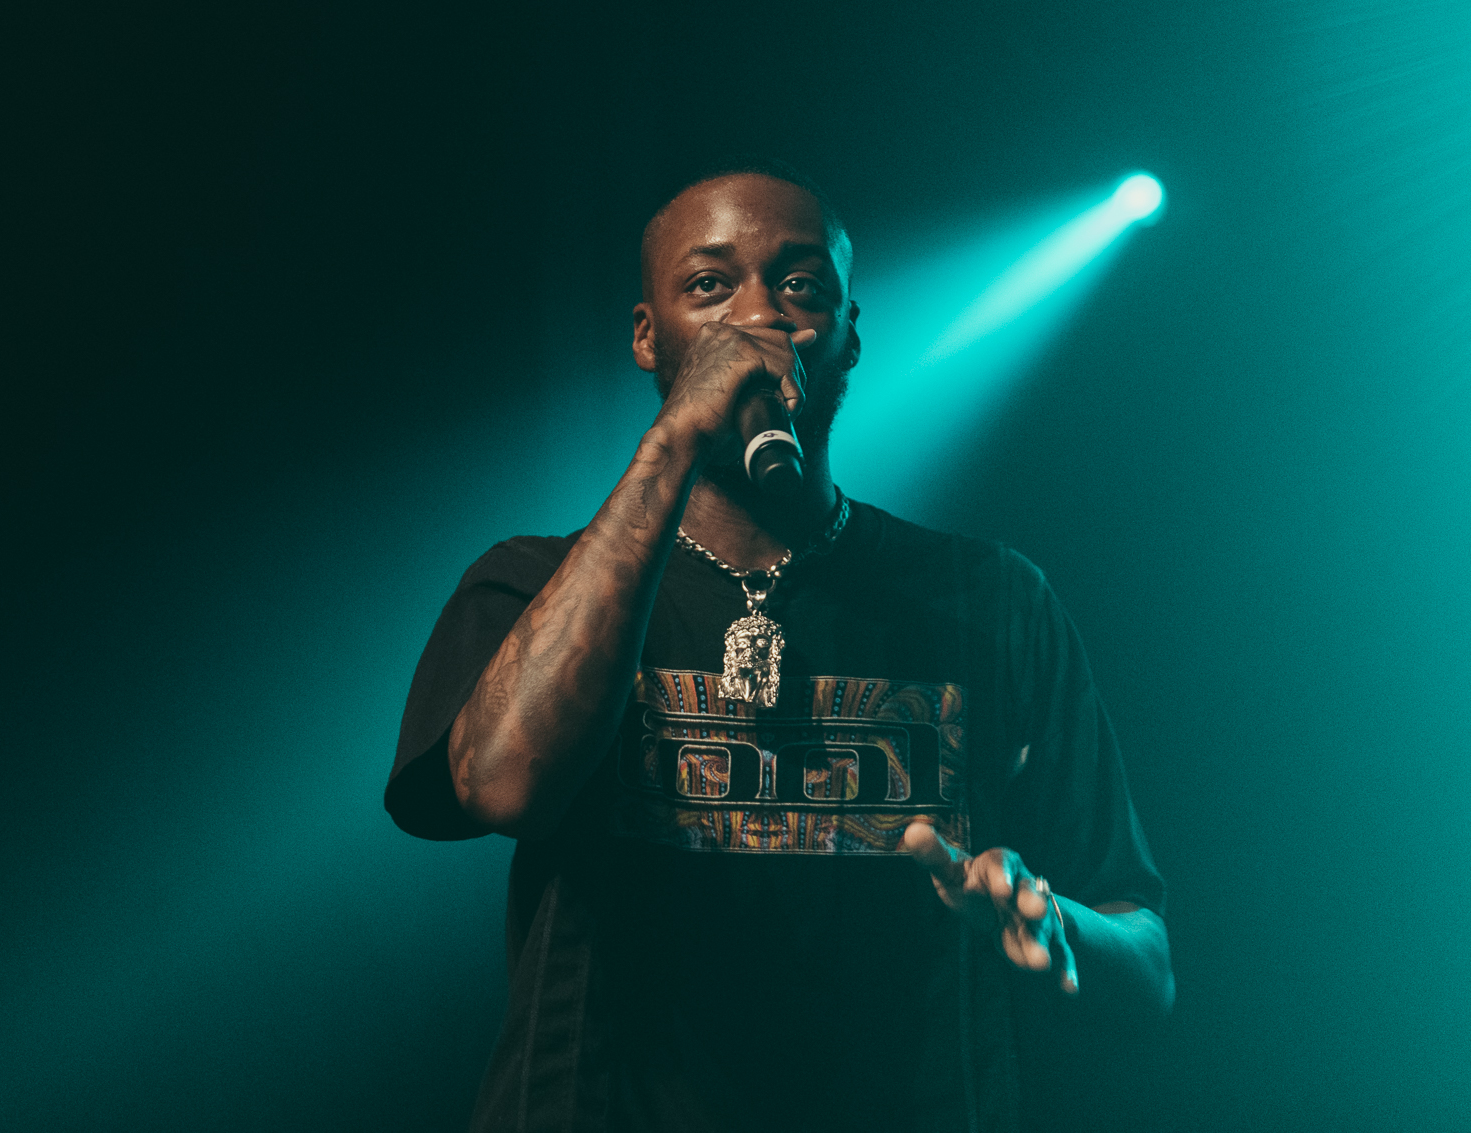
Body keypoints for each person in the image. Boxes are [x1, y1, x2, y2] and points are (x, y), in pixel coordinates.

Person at [385, 162, 1172, 1132]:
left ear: (847, 335)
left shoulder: (991, 601)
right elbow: (502, 786)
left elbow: (1145, 960)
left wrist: (1056, 924)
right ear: (647, 336)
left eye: (800, 285)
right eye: (709, 285)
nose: (759, 316)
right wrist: (674, 440)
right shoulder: (532, 582)